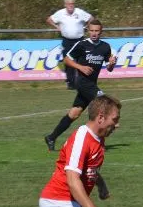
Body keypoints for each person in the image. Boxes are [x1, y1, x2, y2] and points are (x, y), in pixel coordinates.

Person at [44, 18, 117, 152]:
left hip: (91, 84)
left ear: (101, 32)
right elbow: (66, 60)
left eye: (97, 31)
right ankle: (98, 142)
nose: (94, 33)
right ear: (88, 31)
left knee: (74, 114)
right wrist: (80, 67)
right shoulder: (82, 45)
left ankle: (51, 137)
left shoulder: (105, 47)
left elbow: (109, 68)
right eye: (92, 30)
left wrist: (112, 63)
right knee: (104, 103)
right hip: (82, 82)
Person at [46, 0, 93, 89]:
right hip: (67, 40)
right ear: (65, 5)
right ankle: (71, 83)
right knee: (68, 61)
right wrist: (57, 27)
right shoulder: (60, 13)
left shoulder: (79, 12)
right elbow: (49, 20)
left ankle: (83, 81)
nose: (71, 6)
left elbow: (91, 18)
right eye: (69, 4)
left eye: (72, 4)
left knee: (81, 60)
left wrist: (86, 27)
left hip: (79, 40)